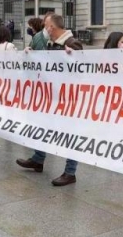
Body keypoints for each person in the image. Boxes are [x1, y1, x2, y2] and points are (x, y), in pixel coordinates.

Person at [17, 13, 83, 187]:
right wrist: (29, 55)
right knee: (43, 127)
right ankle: (38, 159)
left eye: (46, 25)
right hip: (51, 97)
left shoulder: (71, 44)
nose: (45, 29)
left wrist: (74, 58)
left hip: (67, 100)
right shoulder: (51, 44)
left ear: (51, 28)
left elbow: (81, 70)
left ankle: (70, 172)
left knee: (70, 134)